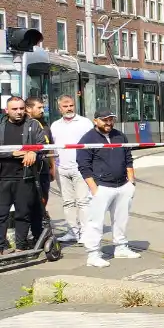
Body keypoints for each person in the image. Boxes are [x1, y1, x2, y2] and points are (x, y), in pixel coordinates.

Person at [75, 110, 139, 268]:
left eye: (111, 120)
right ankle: (93, 254)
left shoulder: (120, 135)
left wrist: (131, 182)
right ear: (95, 120)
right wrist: (94, 189)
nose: (109, 123)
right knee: (95, 222)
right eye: (105, 120)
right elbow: (84, 166)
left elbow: (128, 158)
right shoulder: (88, 139)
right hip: (101, 187)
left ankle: (121, 247)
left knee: (121, 219)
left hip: (123, 185)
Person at [0, 97, 48, 253]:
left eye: (21, 108)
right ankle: (1, 247)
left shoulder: (33, 125)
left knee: (23, 213)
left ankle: (20, 247)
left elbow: (44, 145)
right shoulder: (1, 125)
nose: (19, 112)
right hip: (3, 177)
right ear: (7, 110)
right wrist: (13, 153)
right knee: (1, 215)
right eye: (14, 109)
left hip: (25, 177)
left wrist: (33, 151)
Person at [49, 95, 93, 244]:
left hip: (81, 168)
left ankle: (86, 233)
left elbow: (93, 144)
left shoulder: (85, 123)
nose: (69, 109)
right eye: (65, 106)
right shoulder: (55, 125)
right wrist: (53, 167)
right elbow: (52, 148)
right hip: (62, 169)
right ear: (59, 108)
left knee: (83, 202)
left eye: (71, 106)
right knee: (68, 202)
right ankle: (72, 231)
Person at [24, 96, 53, 246]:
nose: (42, 110)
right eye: (39, 108)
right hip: (30, 171)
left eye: (43, 108)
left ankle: (38, 234)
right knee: (30, 203)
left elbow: (49, 147)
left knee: (41, 203)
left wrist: (52, 167)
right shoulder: (28, 125)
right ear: (29, 109)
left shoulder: (44, 124)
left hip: (43, 170)